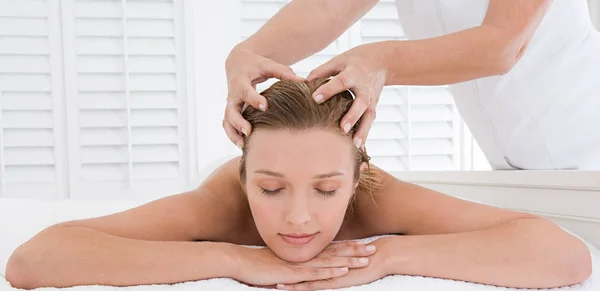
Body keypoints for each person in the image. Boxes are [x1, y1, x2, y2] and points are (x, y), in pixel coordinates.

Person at [5, 80, 592, 291]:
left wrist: (388, 254)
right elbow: (35, 259)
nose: (299, 220)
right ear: (243, 178)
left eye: (327, 189)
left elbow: (565, 254)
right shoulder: (220, 203)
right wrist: (235, 259)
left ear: (357, 177)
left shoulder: (377, 195)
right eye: (271, 189)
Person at [223, 0, 600, 170]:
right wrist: (247, 53)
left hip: (589, 143)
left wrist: (383, 62)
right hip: (522, 171)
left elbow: (503, 44)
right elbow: (326, 8)